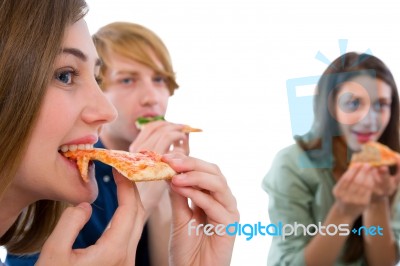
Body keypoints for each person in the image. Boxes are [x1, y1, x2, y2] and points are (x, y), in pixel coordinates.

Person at [0, 1, 239, 266]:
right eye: (66, 76)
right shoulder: (58, 182)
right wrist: (142, 196)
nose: (151, 98)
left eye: (159, 80)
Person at [262, 52, 400, 265]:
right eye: (353, 104)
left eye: (380, 105)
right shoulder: (291, 165)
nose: (369, 120)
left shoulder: (391, 166)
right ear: (330, 107)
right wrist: (343, 213)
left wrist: (377, 201)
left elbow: (384, 262)